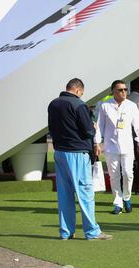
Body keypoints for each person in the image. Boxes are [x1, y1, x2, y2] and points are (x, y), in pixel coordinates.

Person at [47, 78, 112, 240]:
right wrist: (94, 126)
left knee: (64, 194)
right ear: (78, 90)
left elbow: (51, 128)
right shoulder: (79, 105)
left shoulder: (53, 104)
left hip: (60, 152)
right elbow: (89, 131)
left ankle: (66, 231)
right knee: (85, 192)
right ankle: (92, 232)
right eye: (81, 93)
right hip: (77, 152)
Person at [94, 80, 139, 214]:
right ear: (113, 91)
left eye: (125, 89)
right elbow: (99, 126)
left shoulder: (131, 106)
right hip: (110, 146)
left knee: (128, 174)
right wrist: (97, 143)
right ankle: (118, 202)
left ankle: (127, 197)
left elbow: (138, 126)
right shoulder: (104, 105)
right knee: (114, 175)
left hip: (128, 145)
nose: (124, 92)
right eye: (120, 90)